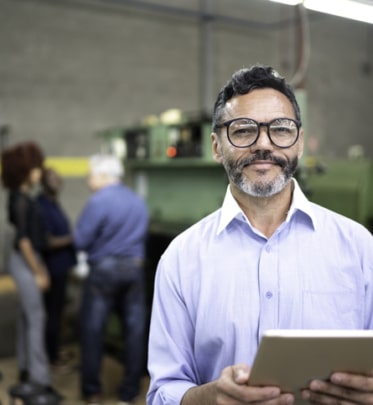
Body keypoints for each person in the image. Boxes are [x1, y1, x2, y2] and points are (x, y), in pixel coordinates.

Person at [147, 65, 373, 405]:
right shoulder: (181, 259)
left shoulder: (359, 248)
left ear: (298, 142)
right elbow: (162, 392)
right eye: (242, 130)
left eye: (281, 129)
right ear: (217, 146)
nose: (264, 144)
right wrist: (210, 398)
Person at [73, 154, 149, 405]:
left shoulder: (98, 201)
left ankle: (92, 391)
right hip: (134, 270)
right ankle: (129, 393)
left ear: (105, 176)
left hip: (103, 271)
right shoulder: (137, 200)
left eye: (92, 175)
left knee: (93, 330)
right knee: (135, 331)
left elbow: (81, 241)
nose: (88, 180)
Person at [0, 142, 57, 393]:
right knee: (36, 317)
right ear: (24, 170)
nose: (38, 172)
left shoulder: (21, 197)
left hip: (27, 258)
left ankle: (26, 367)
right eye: (35, 167)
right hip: (26, 260)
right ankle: (40, 380)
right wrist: (40, 272)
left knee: (26, 316)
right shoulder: (19, 199)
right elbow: (24, 241)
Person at [37, 167, 77, 370]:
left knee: (59, 312)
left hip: (62, 266)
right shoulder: (42, 206)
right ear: (44, 182)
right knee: (52, 313)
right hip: (53, 268)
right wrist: (72, 238)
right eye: (52, 178)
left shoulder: (53, 203)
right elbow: (46, 241)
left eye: (57, 177)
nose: (57, 180)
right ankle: (52, 358)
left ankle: (54, 350)